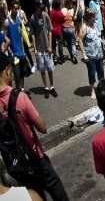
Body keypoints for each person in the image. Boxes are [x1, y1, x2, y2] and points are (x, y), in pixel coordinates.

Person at [0, 54, 68, 200]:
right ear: (6, 70)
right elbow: (42, 127)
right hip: (35, 157)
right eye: (11, 70)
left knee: (35, 195)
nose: (11, 73)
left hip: (16, 164)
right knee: (57, 191)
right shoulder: (20, 97)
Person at [29, 0, 56, 98]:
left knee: (50, 68)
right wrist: (35, 48)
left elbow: (50, 30)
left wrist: (49, 45)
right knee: (42, 69)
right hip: (39, 48)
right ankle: (46, 88)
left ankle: (52, 87)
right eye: (40, 8)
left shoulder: (45, 15)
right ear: (36, 7)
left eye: (43, 8)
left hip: (47, 47)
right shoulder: (32, 18)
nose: (42, 9)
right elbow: (32, 34)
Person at [77, 9, 105, 99]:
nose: (95, 19)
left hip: (99, 54)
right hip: (91, 55)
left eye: (94, 17)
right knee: (92, 73)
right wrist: (84, 54)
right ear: (88, 18)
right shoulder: (84, 27)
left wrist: (103, 42)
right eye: (93, 17)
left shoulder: (95, 25)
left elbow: (97, 36)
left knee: (101, 72)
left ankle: (101, 89)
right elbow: (79, 40)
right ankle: (92, 90)